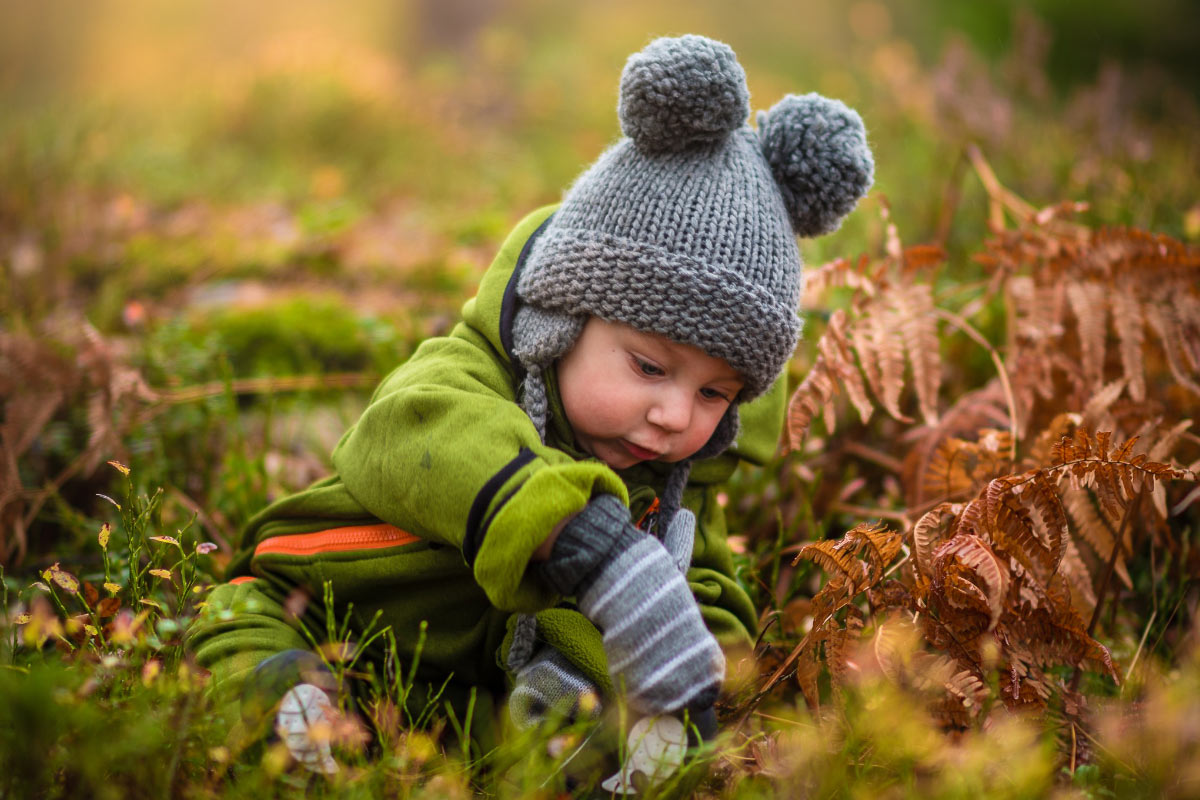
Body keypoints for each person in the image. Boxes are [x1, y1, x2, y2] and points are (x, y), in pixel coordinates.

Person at [187, 33, 873, 781]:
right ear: (561, 322)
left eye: (715, 393)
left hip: (460, 691)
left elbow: (703, 580)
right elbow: (411, 430)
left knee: (587, 715)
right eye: (649, 367)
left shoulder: (674, 479)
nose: (676, 415)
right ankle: (290, 713)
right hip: (322, 606)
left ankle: (551, 743)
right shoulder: (465, 377)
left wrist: (692, 675)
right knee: (246, 632)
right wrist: (586, 540)